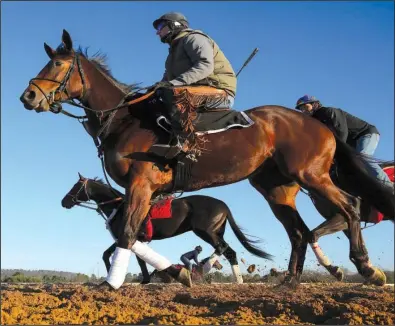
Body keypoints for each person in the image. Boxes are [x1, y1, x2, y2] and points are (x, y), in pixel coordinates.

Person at [151, 12, 237, 159]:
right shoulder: (172, 54)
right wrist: (155, 89)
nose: (158, 32)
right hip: (196, 89)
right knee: (155, 98)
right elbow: (166, 80)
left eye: (160, 26)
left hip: (219, 91)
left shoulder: (194, 38)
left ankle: (186, 144)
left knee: (173, 94)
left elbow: (205, 66)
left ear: (174, 25)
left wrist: (170, 85)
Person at [295, 95, 393, 189]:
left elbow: (342, 133)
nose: (303, 110)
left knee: (362, 158)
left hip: (365, 134)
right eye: (301, 109)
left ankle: (389, 186)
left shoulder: (329, 111)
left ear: (314, 104)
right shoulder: (315, 123)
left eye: (305, 106)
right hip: (351, 142)